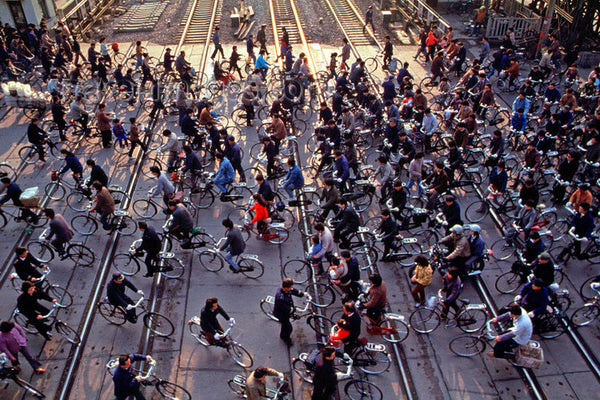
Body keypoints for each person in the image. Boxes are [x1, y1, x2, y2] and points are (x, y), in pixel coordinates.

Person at [274, 278, 305, 346]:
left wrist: (302, 294)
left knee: (284, 326)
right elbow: (286, 308)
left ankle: (282, 335)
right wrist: (294, 310)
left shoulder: (286, 289)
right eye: (290, 287)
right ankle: (286, 338)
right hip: (282, 314)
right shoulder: (280, 298)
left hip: (285, 311)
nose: (291, 288)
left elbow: (293, 291)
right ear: (286, 288)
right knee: (288, 327)